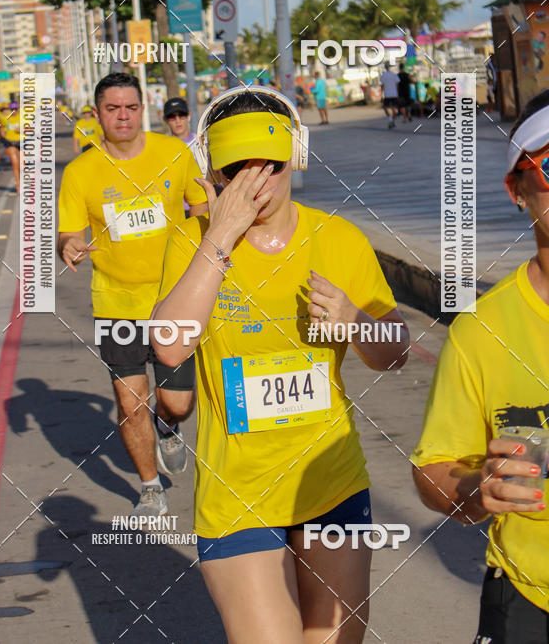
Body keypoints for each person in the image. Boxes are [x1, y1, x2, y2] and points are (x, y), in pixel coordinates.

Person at [152, 86, 410, 643]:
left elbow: (395, 353)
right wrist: (220, 233)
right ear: (213, 170)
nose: (254, 183)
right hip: (237, 495)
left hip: (331, 482)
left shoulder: (339, 239)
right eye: (236, 169)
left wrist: (355, 321)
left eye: (267, 166)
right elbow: (170, 346)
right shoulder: (193, 243)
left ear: (294, 155)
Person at [411, 89, 549, 643]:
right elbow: (433, 471)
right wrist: (476, 489)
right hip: (528, 595)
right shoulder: (482, 332)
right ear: (517, 190)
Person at [57, 73, 207, 518]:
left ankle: (168, 427)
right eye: (112, 108)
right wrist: (67, 245)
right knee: (129, 402)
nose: (123, 116)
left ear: (143, 109)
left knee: (177, 403)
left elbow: (200, 207)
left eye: (131, 107)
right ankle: (150, 487)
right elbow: (68, 230)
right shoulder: (80, 171)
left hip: (173, 301)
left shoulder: (173, 153)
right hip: (116, 301)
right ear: (98, 113)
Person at [0, 101, 21, 193]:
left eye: (16, 109)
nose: (14, 111)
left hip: (21, 141)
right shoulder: (5, 119)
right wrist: (4, 136)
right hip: (10, 142)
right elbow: (1, 130)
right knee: (15, 164)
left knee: (21, 164)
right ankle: (18, 185)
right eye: (12, 109)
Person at [379, 64, 399, 128]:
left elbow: (382, 85)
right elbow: (397, 84)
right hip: (394, 94)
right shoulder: (394, 75)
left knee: (385, 107)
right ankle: (392, 120)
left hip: (387, 94)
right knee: (394, 108)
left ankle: (390, 119)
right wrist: (397, 92)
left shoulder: (383, 75)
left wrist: (381, 95)